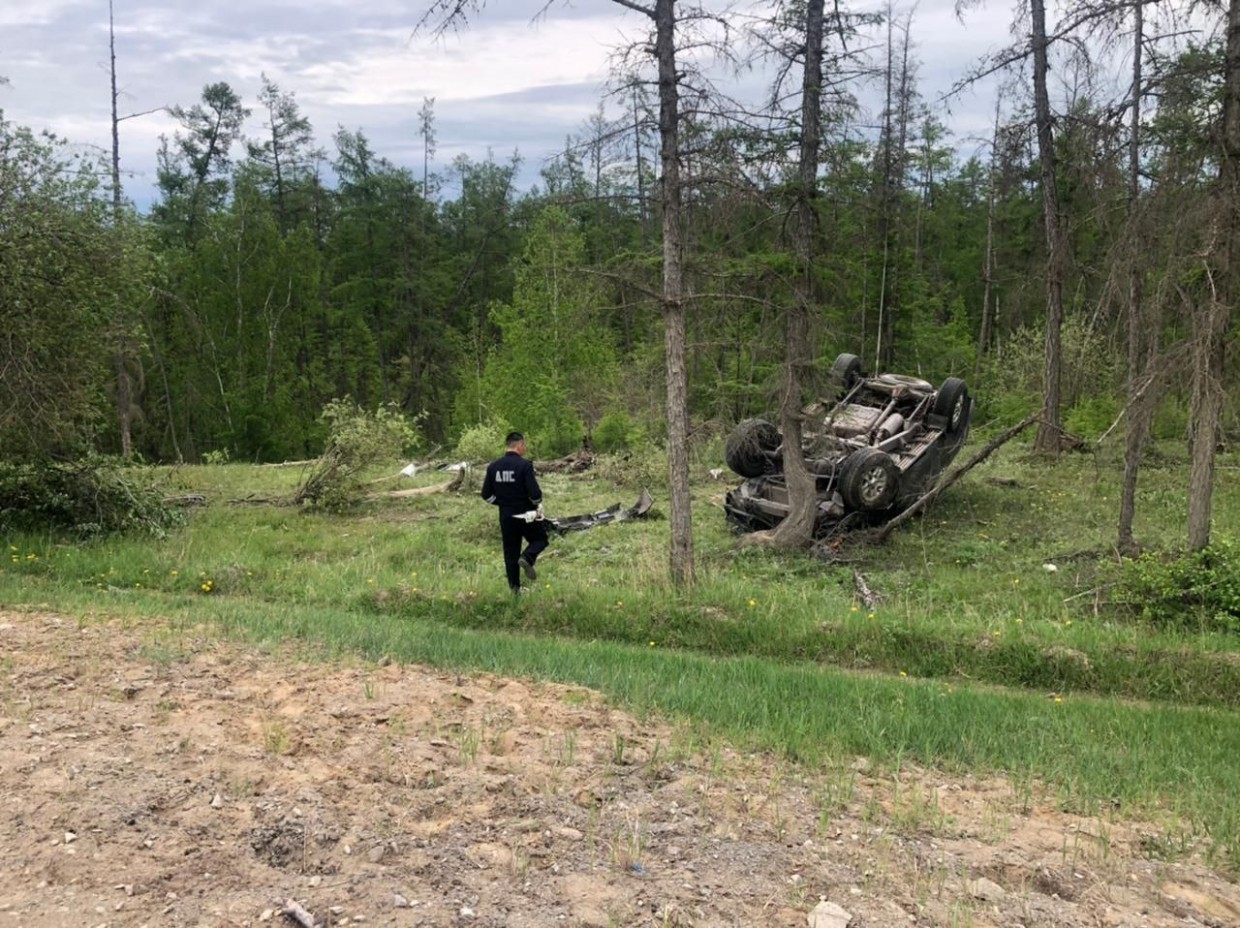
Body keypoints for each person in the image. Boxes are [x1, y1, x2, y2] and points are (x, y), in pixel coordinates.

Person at [481, 431, 549, 594]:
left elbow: (486, 494)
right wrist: (537, 503)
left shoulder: (493, 467)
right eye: (524, 445)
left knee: (510, 552)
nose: (525, 448)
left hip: (506, 516)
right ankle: (527, 558)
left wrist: (502, 503)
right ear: (519, 445)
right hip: (526, 515)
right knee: (540, 540)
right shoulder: (524, 465)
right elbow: (535, 494)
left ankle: (515, 590)